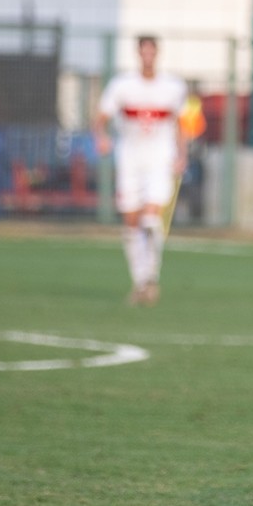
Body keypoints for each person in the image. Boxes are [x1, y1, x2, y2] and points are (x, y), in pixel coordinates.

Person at [93, 35, 188, 306]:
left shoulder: (172, 86)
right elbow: (100, 118)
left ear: (157, 53)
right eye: (143, 51)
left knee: (150, 217)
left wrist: (182, 154)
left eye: (151, 51)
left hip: (160, 157)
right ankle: (140, 280)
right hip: (129, 157)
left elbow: (182, 124)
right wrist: (100, 136)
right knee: (132, 221)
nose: (147, 56)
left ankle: (150, 278)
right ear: (138, 54)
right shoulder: (122, 85)